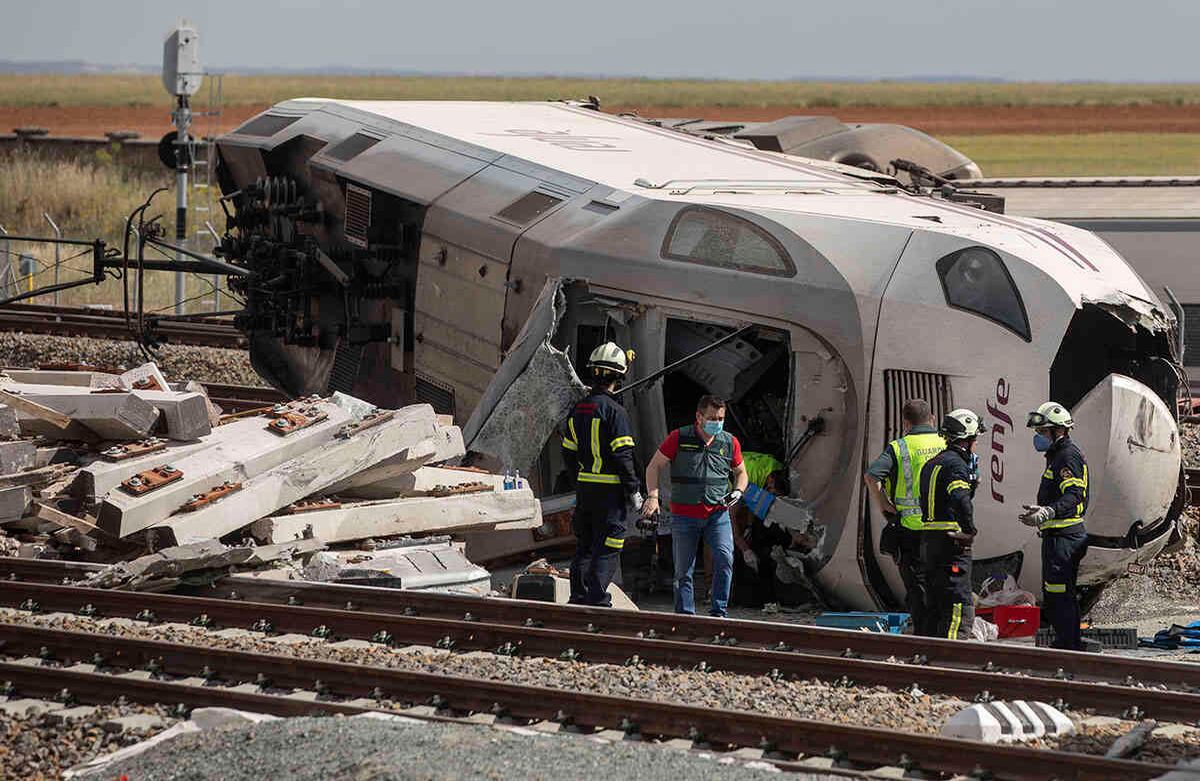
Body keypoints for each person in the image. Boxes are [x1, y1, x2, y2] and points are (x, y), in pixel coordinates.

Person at [642, 395, 749, 617]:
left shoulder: (729, 442)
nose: (717, 422)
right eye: (712, 418)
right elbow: (654, 466)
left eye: (720, 418)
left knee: (725, 558)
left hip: (717, 514)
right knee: (683, 570)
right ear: (699, 417)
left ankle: (719, 613)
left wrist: (738, 491)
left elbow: (741, 473)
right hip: (684, 516)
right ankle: (685, 615)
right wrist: (653, 496)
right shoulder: (678, 438)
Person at [561, 342, 642, 607]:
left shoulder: (578, 409)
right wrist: (633, 490)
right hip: (610, 492)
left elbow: (568, 452)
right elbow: (622, 455)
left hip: (585, 489)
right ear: (618, 376)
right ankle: (597, 598)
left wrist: (579, 480)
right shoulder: (615, 412)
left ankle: (578, 595)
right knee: (609, 545)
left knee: (585, 543)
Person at [864, 399, 945, 637]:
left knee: (918, 585)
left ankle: (922, 635)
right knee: (942, 581)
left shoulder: (899, 447)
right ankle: (943, 634)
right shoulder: (946, 442)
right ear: (932, 419)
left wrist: (885, 505)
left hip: (910, 528)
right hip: (942, 527)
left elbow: (871, 477)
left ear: (906, 423)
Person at [1019, 401, 1092, 651]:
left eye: (1042, 432)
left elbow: (1074, 496)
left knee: (1060, 593)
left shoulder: (1067, 456)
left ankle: (1068, 646)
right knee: (1055, 592)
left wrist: (1047, 512)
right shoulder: (1056, 455)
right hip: (1057, 534)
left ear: (1057, 431)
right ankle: (1066, 643)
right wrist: (1042, 512)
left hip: (1065, 536)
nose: (1038, 438)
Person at [918, 408, 983, 640]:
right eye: (975, 439)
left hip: (929, 541)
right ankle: (955, 652)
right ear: (966, 440)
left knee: (935, 601)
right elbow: (960, 499)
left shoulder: (931, 464)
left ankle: (931, 652)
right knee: (958, 600)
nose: (976, 445)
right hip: (952, 543)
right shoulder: (956, 466)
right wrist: (969, 531)